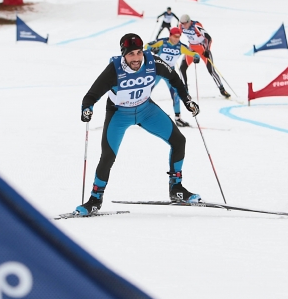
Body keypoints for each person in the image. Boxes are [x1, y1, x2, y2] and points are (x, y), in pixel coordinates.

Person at [75, 33, 201, 215]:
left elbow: (174, 79)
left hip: (146, 111)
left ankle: (176, 189)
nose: (136, 58)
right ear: (123, 55)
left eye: (138, 53)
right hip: (119, 114)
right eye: (131, 54)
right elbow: (91, 96)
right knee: (108, 156)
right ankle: (95, 199)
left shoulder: (154, 63)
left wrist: (188, 101)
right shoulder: (114, 69)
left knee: (179, 141)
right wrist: (87, 109)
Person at [145, 27, 200, 127]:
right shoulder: (162, 42)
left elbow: (192, 53)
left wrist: (196, 56)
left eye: (179, 37)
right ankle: (139, 114)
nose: (177, 39)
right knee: (146, 92)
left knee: (176, 94)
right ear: (170, 35)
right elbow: (146, 46)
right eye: (175, 37)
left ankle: (178, 118)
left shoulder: (180, 47)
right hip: (157, 71)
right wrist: (152, 48)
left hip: (170, 72)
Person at [177, 14, 230, 99]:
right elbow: (176, 36)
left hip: (202, 48)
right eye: (181, 23)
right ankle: (185, 91)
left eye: (184, 23)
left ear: (189, 21)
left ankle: (222, 89)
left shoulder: (196, 26)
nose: (183, 25)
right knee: (182, 68)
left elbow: (209, 38)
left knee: (211, 70)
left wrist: (207, 50)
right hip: (191, 48)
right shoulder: (181, 26)